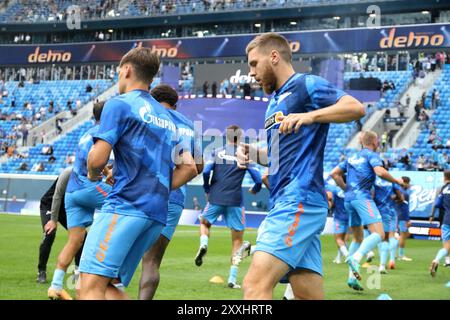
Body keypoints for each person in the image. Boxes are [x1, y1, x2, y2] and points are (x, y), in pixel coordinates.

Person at [238, 32, 365, 300]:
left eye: (253, 63)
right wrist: (254, 153)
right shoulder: (273, 103)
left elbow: (355, 108)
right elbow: (277, 156)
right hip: (289, 200)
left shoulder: (306, 85)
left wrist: (311, 116)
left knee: (254, 285)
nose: (251, 73)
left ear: (274, 57)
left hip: (298, 201)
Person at [78, 47, 198, 300]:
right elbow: (189, 167)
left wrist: (92, 174)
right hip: (156, 214)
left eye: (119, 71)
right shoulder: (167, 115)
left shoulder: (119, 104)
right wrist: (156, 188)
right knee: (110, 285)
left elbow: (97, 159)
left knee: (88, 285)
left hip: (124, 207)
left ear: (127, 69)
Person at [138, 84, 203, 300]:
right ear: (176, 105)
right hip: (174, 197)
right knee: (152, 260)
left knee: (120, 253)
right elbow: (199, 167)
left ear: (153, 101)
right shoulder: (190, 126)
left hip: (142, 194)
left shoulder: (149, 117)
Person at [47, 101, 111, 300]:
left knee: (74, 241)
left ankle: (56, 285)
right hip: (88, 186)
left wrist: (106, 171)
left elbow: (88, 157)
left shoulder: (87, 132)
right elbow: (95, 160)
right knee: (124, 207)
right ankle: (110, 277)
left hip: (72, 192)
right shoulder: (106, 131)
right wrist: (106, 173)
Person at [331, 131, 405, 287]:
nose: (379, 143)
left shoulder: (351, 157)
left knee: (357, 238)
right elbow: (380, 171)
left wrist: (345, 189)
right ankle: (356, 258)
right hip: (362, 198)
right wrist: (396, 180)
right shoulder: (372, 155)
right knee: (379, 233)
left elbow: (334, 174)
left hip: (349, 200)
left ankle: (352, 278)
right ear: (374, 141)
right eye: (378, 140)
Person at [195, 124, 262, 289]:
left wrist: (207, 188)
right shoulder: (243, 154)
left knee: (204, 223)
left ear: (226, 136)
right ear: (239, 137)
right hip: (236, 201)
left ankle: (204, 243)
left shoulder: (216, 152)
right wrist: (255, 189)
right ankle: (232, 279)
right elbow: (258, 179)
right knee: (237, 241)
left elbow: (205, 171)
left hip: (215, 198)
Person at [37, 167, 85, 286]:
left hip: (66, 208)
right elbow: (57, 196)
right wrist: (53, 220)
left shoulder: (91, 174)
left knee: (82, 236)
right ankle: (41, 271)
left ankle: (77, 272)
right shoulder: (69, 173)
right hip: (50, 204)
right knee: (50, 233)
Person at [373, 176, 402, 273]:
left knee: (380, 237)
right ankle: (392, 260)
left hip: (377, 211)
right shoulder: (392, 181)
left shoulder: (373, 180)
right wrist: (394, 199)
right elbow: (401, 197)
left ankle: (381, 265)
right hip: (390, 211)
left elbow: (371, 195)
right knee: (391, 236)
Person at [428, 170, 450, 276]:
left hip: (446, 220)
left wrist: (432, 215)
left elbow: (437, 203)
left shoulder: (443, 189)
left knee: (446, 247)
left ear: (444, 177)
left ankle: (436, 260)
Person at [395, 176, 413, 261]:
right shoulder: (404, 193)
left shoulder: (398, 191)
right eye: (408, 183)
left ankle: (394, 253)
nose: (409, 185)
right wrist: (407, 219)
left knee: (406, 234)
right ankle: (401, 255)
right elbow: (405, 208)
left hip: (398, 215)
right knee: (403, 235)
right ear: (405, 183)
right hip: (402, 216)